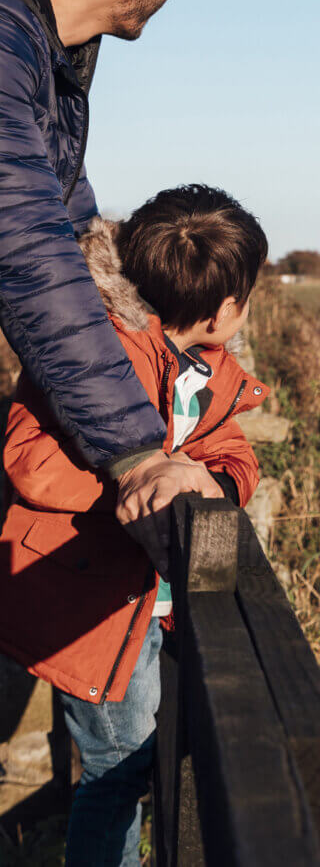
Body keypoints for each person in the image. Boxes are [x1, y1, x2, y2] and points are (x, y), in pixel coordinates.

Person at [0, 184, 270, 867]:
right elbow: (28, 459)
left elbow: (234, 452)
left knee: (131, 762)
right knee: (118, 769)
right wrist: (137, 487)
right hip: (92, 608)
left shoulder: (206, 370)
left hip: (145, 606)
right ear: (227, 307)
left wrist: (211, 483)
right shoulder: (95, 352)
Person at [0, 0, 225, 573]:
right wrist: (136, 451)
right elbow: (28, 253)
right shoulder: (7, 46)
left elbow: (70, 227)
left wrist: (159, 323)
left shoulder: (42, 46)